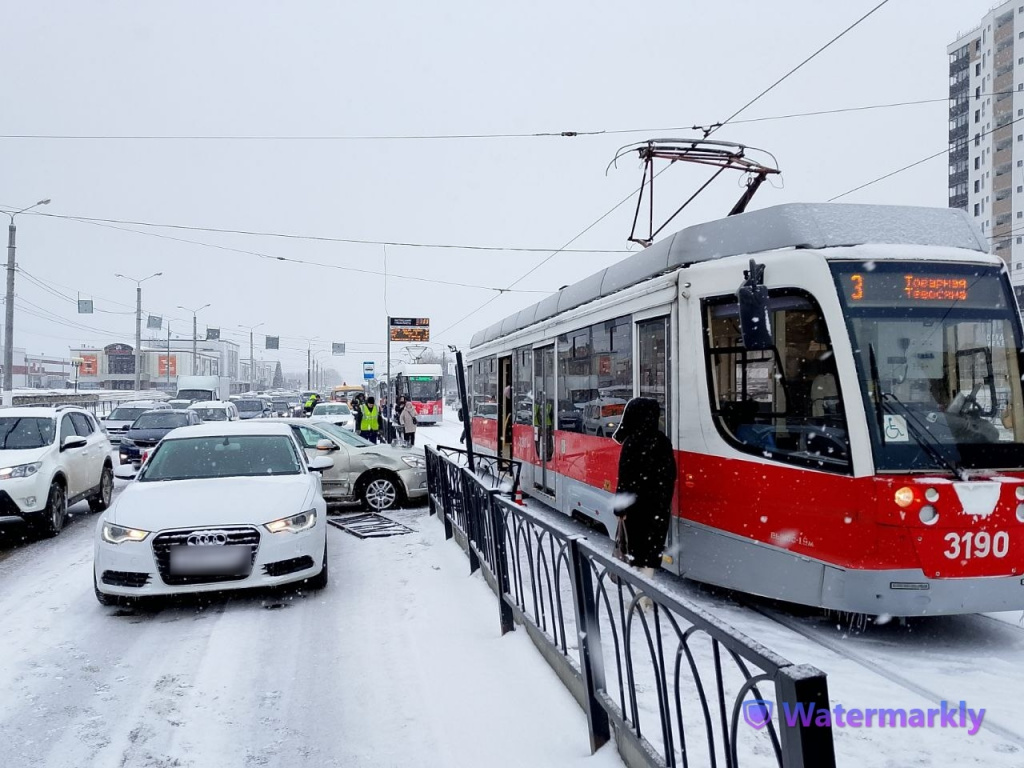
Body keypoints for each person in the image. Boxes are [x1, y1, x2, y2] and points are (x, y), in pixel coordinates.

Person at [611, 398, 677, 580]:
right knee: (651, 553)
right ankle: (646, 595)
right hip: (658, 508)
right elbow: (670, 475)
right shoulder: (662, 441)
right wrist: (662, 500)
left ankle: (639, 596)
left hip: (636, 509)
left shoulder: (631, 443)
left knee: (635, 552)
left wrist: (620, 508)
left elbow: (625, 480)